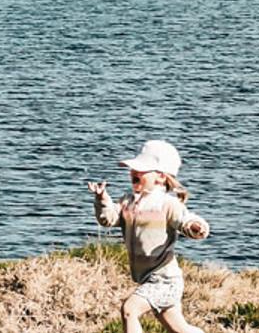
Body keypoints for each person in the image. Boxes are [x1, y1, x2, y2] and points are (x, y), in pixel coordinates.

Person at [87, 139, 210, 333]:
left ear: (160, 177)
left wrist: (196, 227)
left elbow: (185, 220)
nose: (134, 173)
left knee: (129, 310)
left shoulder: (166, 204)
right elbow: (108, 220)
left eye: (142, 170)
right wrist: (102, 199)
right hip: (148, 278)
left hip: (165, 279)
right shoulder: (127, 201)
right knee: (180, 329)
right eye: (134, 169)